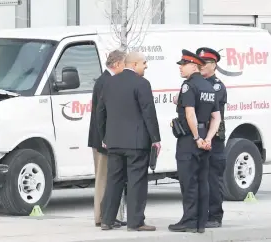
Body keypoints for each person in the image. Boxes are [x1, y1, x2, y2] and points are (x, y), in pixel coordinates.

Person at [96, 52, 161, 231]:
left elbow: (100, 112)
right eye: (144, 63)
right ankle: (135, 222)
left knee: (114, 180)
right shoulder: (142, 84)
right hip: (136, 143)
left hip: (114, 141)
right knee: (136, 182)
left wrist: (105, 137)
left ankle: (107, 220)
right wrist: (156, 139)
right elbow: (148, 112)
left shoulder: (109, 82)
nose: (146, 66)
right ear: (133, 64)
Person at [168, 49, 221, 233]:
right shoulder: (208, 86)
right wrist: (207, 138)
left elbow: (190, 113)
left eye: (183, 65)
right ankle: (200, 223)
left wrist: (197, 138)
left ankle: (189, 221)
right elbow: (216, 117)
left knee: (188, 181)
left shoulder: (188, 86)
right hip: (205, 137)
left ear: (193, 65)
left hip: (189, 140)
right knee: (202, 181)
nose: (181, 68)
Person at [88, 49, 127, 228]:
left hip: (103, 138)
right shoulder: (107, 81)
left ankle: (106, 215)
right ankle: (103, 216)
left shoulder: (104, 80)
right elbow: (101, 114)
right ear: (117, 64)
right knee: (103, 179)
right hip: (103, 139)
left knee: (106, 178)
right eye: (124, 64)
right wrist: (105, 138)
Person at [196, 47, 227, 228]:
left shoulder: (216, 86)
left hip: (214, 138)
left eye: (205, 63)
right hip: (201, 137)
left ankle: (215, 215)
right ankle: (203, 213)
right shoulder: (200, 84)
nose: (201, 66)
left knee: (213, 178)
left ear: (214, 65)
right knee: (201, 177)